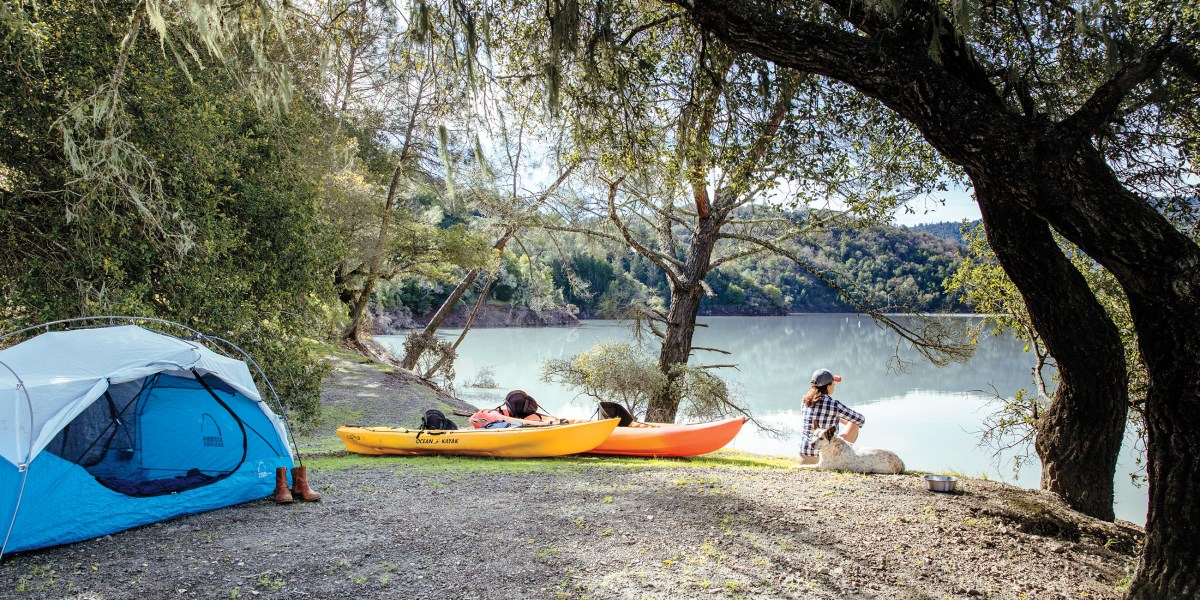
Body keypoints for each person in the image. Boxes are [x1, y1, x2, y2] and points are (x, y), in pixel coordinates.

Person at [797, 368, 865, 465]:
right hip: (825, 458)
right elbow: (861, 420)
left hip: (804, 455)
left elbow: (819, 413)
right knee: (855, 424)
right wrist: (847, 421)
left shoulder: (804, 402)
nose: (834, 386)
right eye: (834, 384)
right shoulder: (834, 405)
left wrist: (838, 418)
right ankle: (844, 459)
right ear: (828, 387)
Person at [469, 389, 565, 428]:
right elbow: (509, 420)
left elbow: (528, 419)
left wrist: (555, 421)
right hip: (482, 422)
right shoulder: (493, 415)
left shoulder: (519, 415)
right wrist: (547, 424)